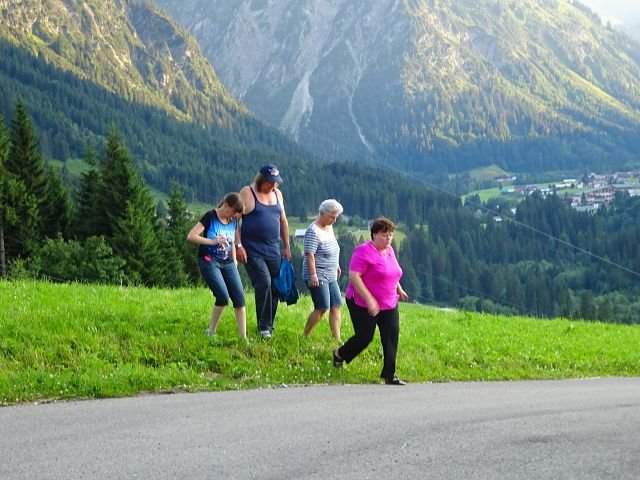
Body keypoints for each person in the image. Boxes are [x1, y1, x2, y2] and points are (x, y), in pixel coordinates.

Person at [332, 217, 409, 385]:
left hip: (389, 302)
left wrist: (398, 288)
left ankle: (389, 375)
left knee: (391, 336)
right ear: (374, 234)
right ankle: (339, 354)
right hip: (361, 302)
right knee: (364, 337)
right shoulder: (363, 251)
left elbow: (392, 272)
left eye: (390, 235)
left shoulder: (389, 250)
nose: (388, 238)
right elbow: (354, 276)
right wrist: (370, 299)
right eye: (384, 235)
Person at [236, 164, 291, 339]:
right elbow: (234, 221)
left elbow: (283, 221)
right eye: (269, 182)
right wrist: (238, 245)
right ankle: (263, 327)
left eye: (275, 183)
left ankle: (269, 324)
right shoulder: (247, 192)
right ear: (261, 180)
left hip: (273, 249)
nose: (272, 186)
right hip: (252, 249)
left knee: (275, 285)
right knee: (263, 282)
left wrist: (287, 246)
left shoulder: (277, 194)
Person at [187, 192, 247, 339]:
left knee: (239, 298)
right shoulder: (210, 216)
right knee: (222, 296)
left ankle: (243, 338)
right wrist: (212, 242)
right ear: (226, 205)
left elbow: (232, 242)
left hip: (228, 262)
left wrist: (234, 261)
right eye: (233, 211)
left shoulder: (233, 220)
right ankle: (211, 331)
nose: (234, 216)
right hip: (209, 261)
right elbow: (191, 236)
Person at [302, 199, 344, 342]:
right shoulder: (313, 231)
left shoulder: (329, 227)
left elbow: (333, 249)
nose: (334, 220)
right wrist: (313, 275)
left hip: (331, 274)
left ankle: (337, 338)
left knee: (336, 304)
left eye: (336, 217)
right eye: (332, 217)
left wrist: (336, 265)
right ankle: (305, 335)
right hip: (318, 274)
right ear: (322, 214)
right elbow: (310, 255)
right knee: (322, 306)